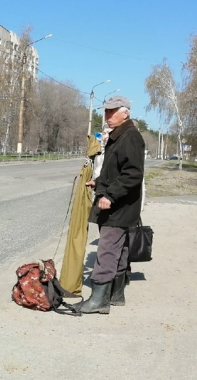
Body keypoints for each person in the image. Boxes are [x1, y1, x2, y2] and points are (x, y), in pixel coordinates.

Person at [77, 95, 145, 314]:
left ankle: (99, 301)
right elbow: (116, 170)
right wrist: (98, 182)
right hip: (118, 203)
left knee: (107, 249)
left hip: (118, 205)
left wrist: (110, 195)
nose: (106, 115)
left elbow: (133, 173)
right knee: (119, 248)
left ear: (125, 113)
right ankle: (116, 295)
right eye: (105, 111)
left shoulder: (130, 136)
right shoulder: (119, 135)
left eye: (111, 111)